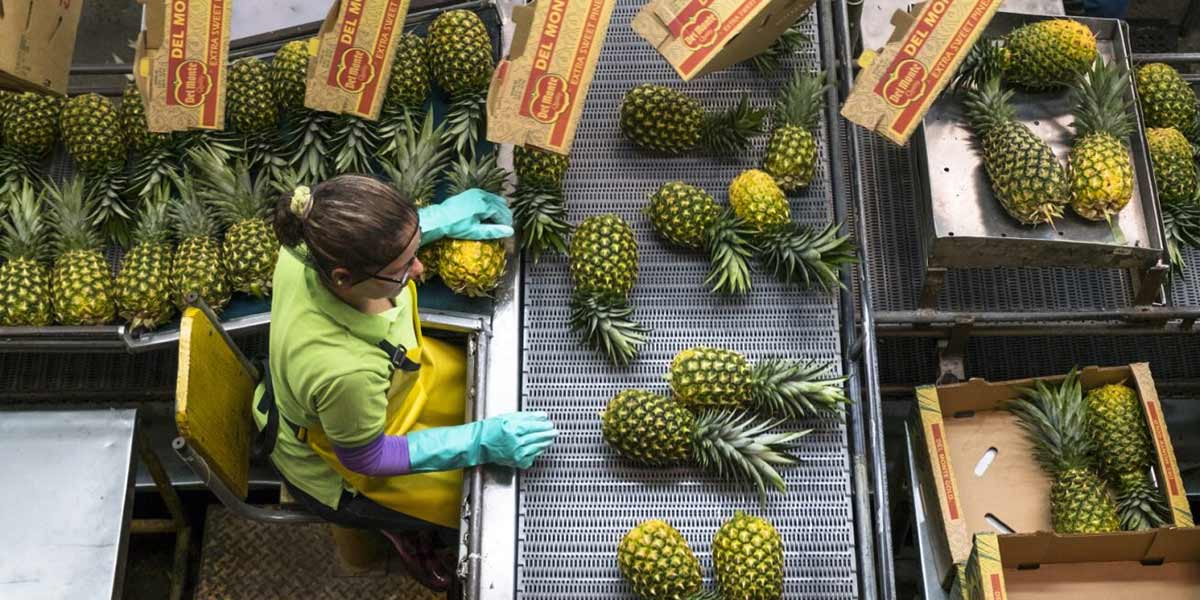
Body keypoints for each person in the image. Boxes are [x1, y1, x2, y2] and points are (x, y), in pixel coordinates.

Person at [252, 175, 557, 591]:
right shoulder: (345, 371)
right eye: (402, 268)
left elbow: (369, 246)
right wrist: (480, 441)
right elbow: (369, 458)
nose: (419, 268)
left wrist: (438, 220)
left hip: (393, 391)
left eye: (413, 251)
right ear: (344, 277)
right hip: (347, 465)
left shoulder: (306, 246)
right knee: (477, 497)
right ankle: (410, 539)